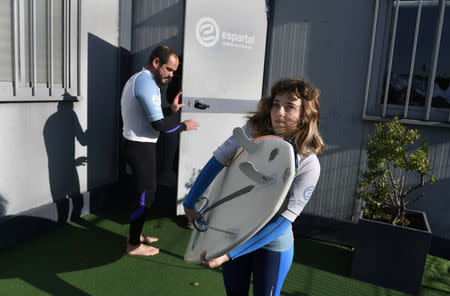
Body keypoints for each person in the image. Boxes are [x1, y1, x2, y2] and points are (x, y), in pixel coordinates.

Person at [183, 78, 324, 296]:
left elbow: (283, 220)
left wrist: (228, 255)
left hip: (272, 243)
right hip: (235, 231)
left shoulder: (308, 163)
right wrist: (190, 203)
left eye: (290, 107)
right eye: (276, 104)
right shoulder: (251, 132)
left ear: (305, 114)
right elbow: (217, 161)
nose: (280, 112)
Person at [121, 45, 199, 256]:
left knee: (147, 194)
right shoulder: (146, 83)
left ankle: (135, 235)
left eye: (174, 71)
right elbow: (159, 126)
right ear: (156, 63)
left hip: (139, 145)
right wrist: (184, 126)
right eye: (169, 70)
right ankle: (133, 244)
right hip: (139, 146)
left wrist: (170, 110)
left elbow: (150, 114)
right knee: (146, 196)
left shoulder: (141, 79)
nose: (171, 76)